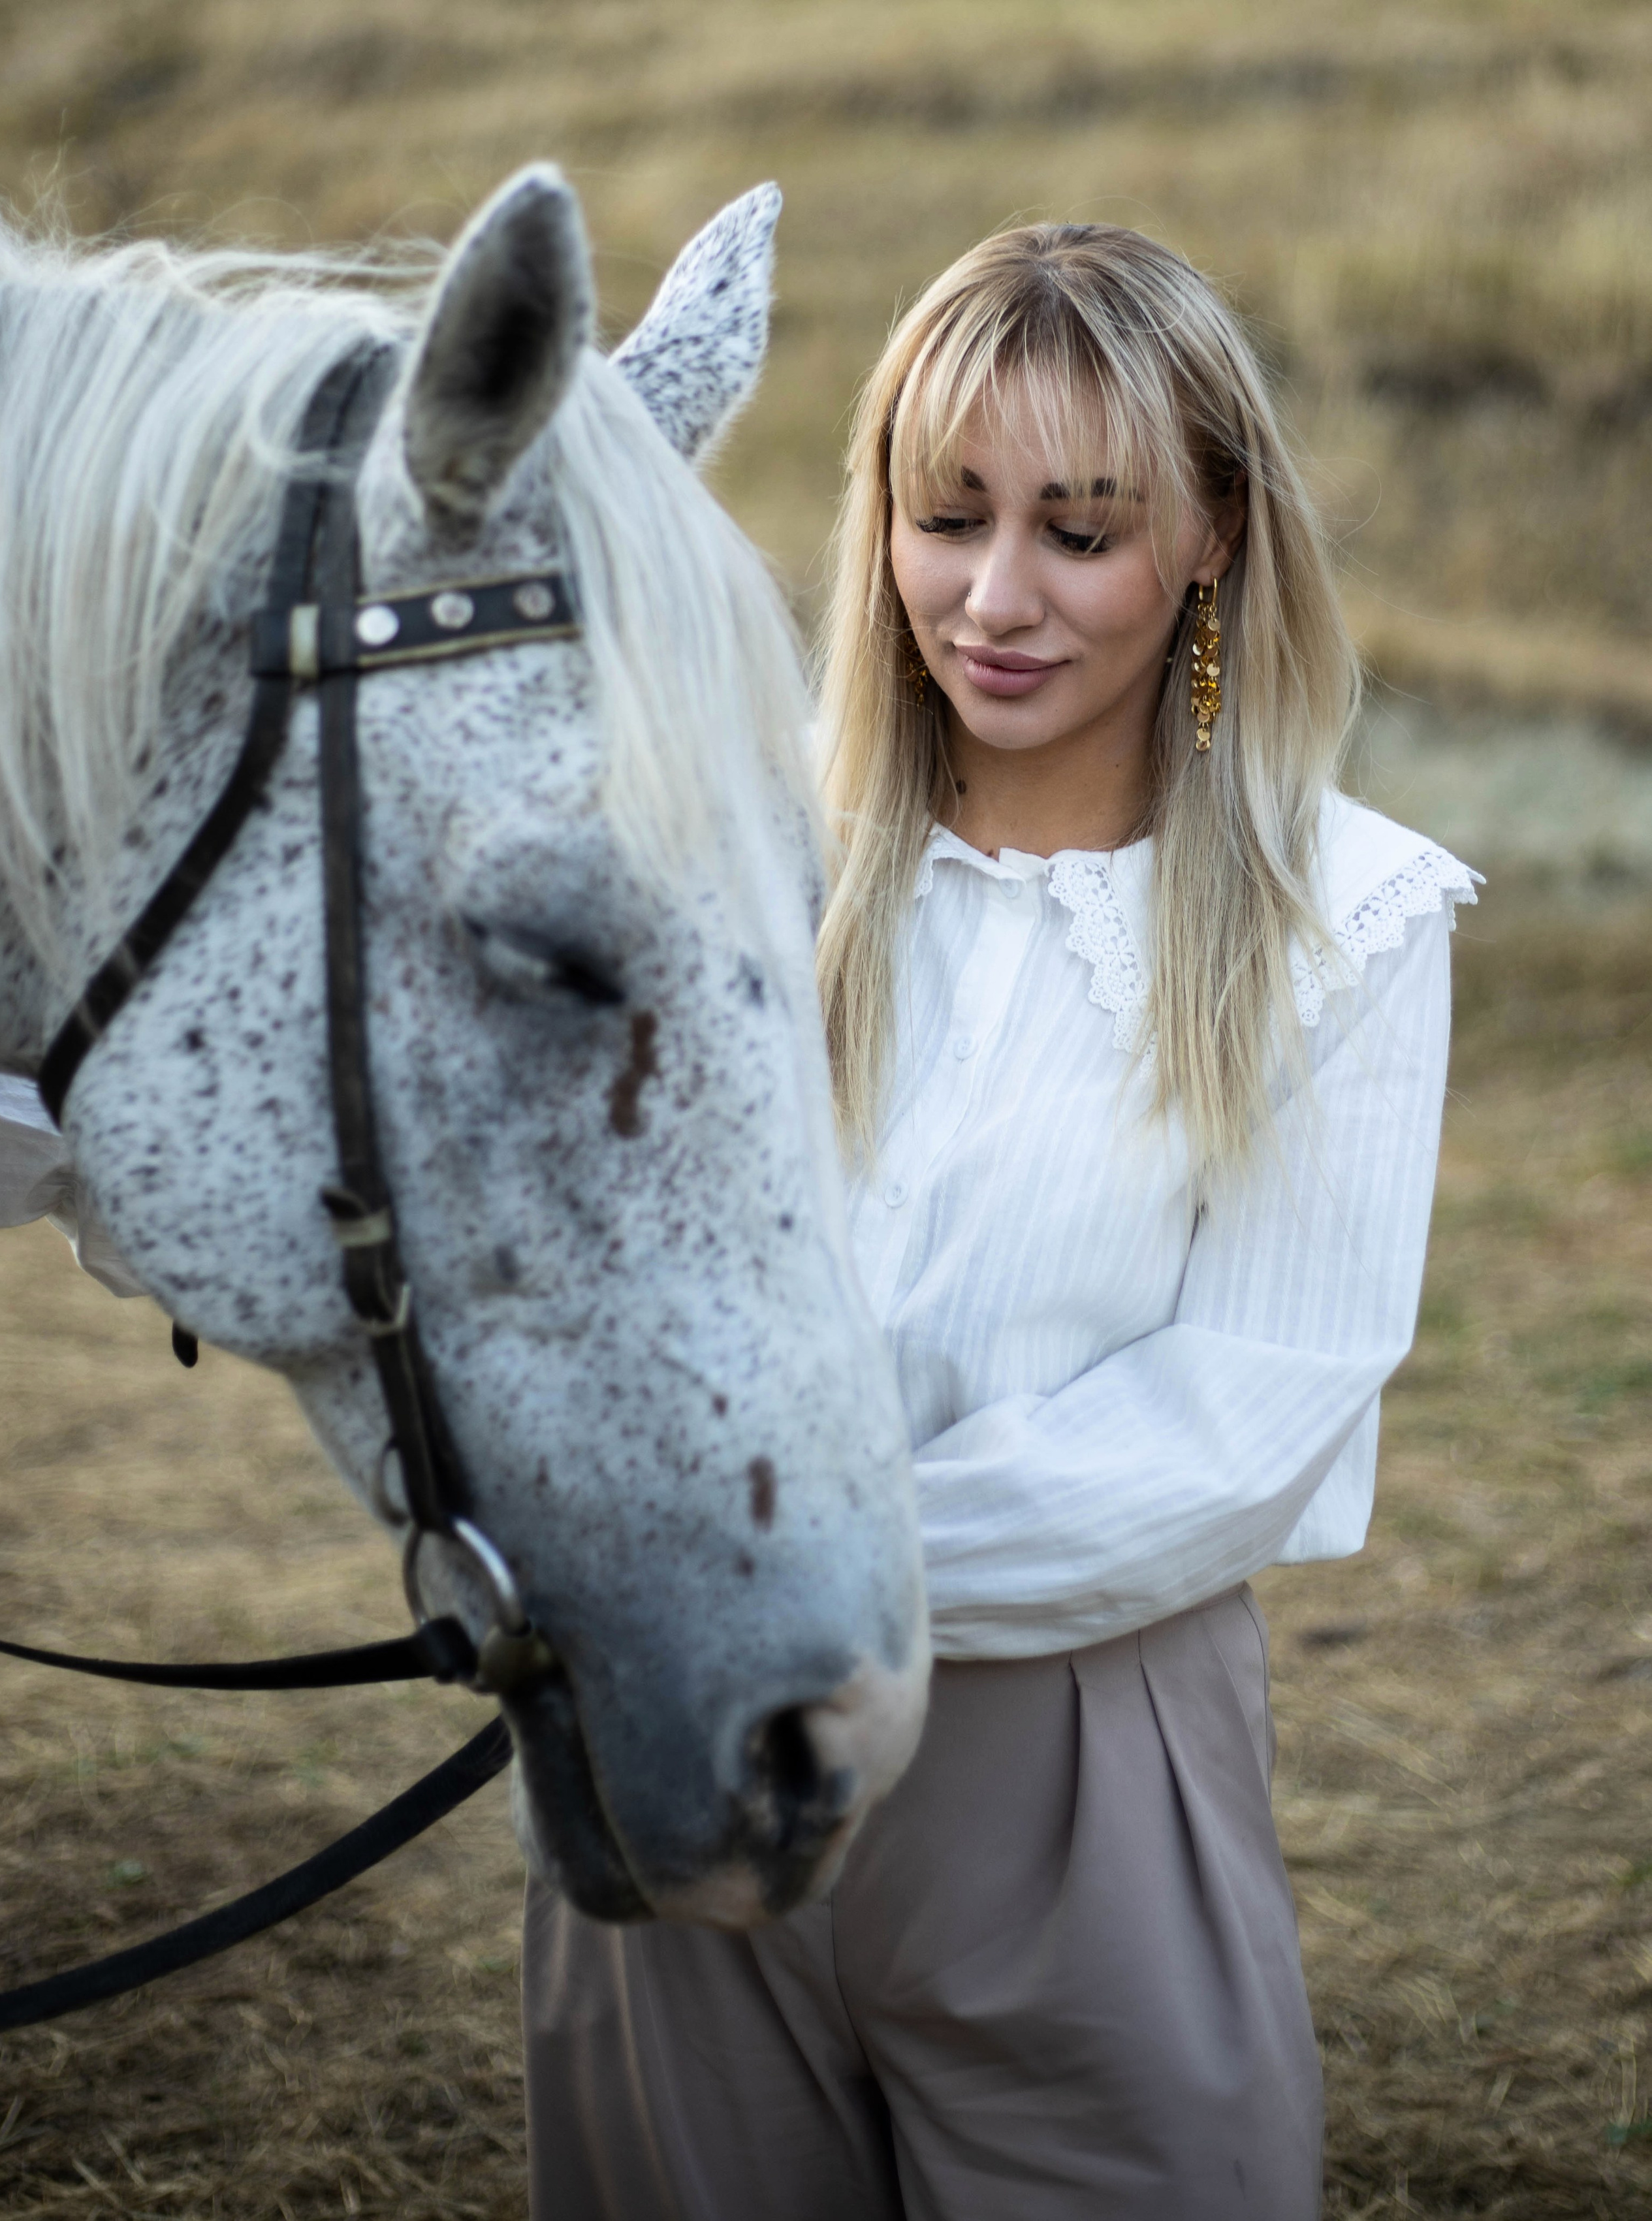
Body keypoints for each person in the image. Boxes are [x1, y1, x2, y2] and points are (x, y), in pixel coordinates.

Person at [519, 221, 1477, 2220]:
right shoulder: (732, 854)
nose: (995, 597)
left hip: (1072, 1760)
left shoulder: (1340, 923)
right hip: (676, 1741)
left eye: (1083, 528)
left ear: (1212, 533)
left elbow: (1245, 1411)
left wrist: (761, 1557)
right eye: (946, 515)